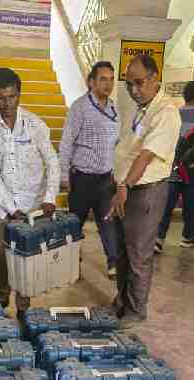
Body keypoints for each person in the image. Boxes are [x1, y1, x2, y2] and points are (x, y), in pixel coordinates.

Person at [107, 53, 181, 328]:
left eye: (139, 83)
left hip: (145, 190)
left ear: (154, 78)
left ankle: (136, 310)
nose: (134, 90)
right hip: (127, 187)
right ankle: (124, 300)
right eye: (129, 85)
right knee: (124, 251)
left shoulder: (166, 113)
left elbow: (145, 156)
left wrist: (124, 186)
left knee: (139, 253)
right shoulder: (143, 109)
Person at [0, 67, 60, 316]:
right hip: (4, 209)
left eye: (12, 97)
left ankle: (24, 307)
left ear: (20, 95)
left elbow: (53, 163)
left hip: (33, 207)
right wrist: (10, 209)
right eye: (1, 98)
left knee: (27, 259)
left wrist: (49, 199)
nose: (7, 104)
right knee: (0, 258)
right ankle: (2, 299)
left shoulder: (36, 125)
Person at [59, 61, 122, 280]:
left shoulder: (114, 109)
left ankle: (113, 262)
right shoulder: (79, 107)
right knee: (75, 224)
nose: (108, 84)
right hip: (82, 179)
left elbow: (117, 143)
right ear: (91, 81)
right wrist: (63, 175)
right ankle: (70, 262)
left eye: (112, 79)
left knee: (108, 222)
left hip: (106, 179)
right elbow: (66, 142)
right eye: (103, 79)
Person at [156, 80, 194, 253]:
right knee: (190, 207)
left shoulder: (174, 114)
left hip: (172, 168)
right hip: (193, 170)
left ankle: (158, 239)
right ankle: (188, 237)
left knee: (167, 207)